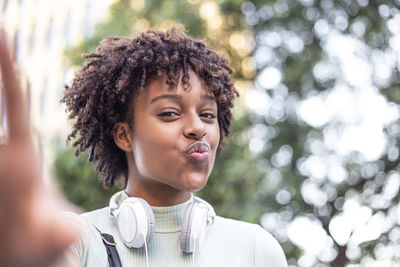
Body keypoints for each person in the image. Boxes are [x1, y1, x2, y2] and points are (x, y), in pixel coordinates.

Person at [0, 26, 287, 266]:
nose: (198, 128)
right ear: (124, 136)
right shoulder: (77, 240)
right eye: (170, 113)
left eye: (207, 115)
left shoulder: (256, 249)